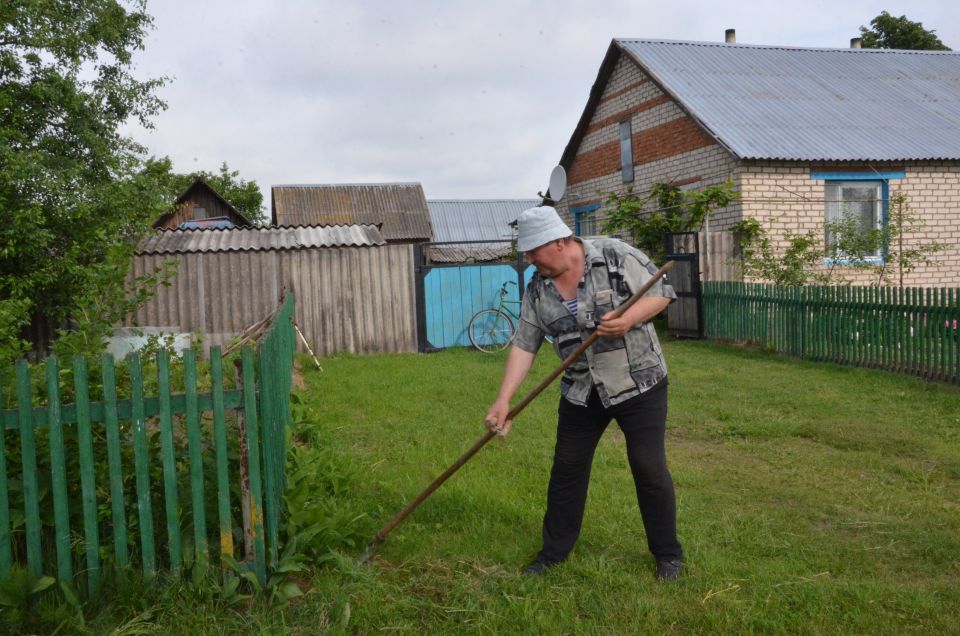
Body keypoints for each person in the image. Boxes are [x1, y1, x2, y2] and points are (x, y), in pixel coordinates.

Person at [484, 205, 684, 580]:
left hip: (638, 382)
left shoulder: (614, 255)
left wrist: (628, 318)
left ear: (559, 242)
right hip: (580, 390)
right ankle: (553, 554)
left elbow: (661, 292)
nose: (530, 261)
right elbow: (525, 345)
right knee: (567, 470)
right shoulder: (538, 288)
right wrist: (504, 400)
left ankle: (668, 555)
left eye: (533, 252)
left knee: (648, 467)